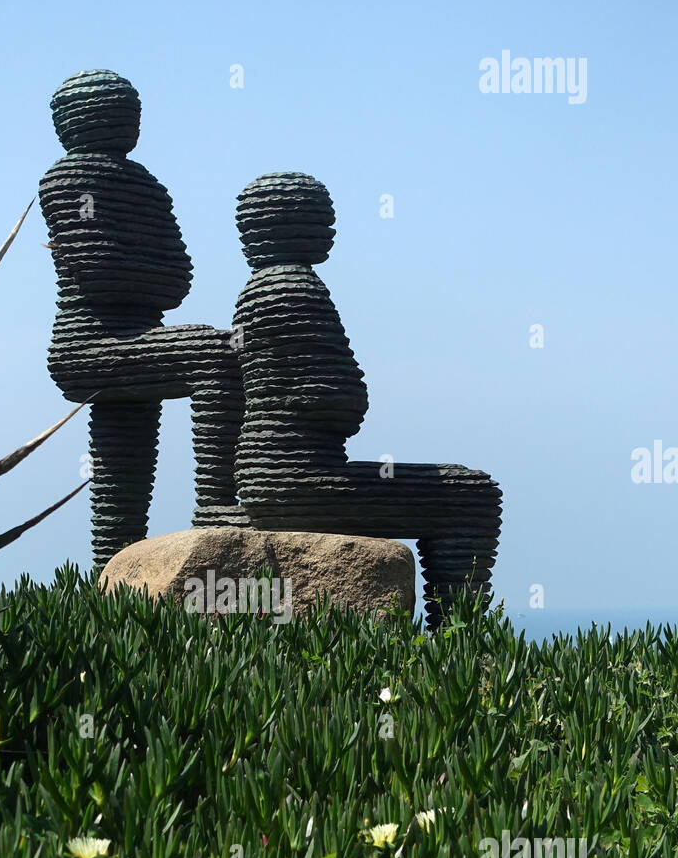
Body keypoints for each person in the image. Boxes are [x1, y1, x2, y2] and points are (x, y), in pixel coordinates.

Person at [232, 172, 502, 625]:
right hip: (304, 481)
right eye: (324, 217)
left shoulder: (254, 291)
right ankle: (459, 647)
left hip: (260, 479)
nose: (331, 230)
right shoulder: (298, 288)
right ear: (305, 223)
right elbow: (337, 396)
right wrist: (352, 396)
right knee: (471, 494)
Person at [40, 69, 246, 566]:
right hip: (87, 347)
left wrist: (136, 273)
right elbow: (96, 270)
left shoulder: (147, 186)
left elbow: (177, 279)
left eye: (130, 111)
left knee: (121, 478)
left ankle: (114, 575)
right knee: (218, 354)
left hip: (139, 338)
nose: (128, 121)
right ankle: (218, 504)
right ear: (77, 120)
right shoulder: (71, 180)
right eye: (116, 111)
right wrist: (141, 273)